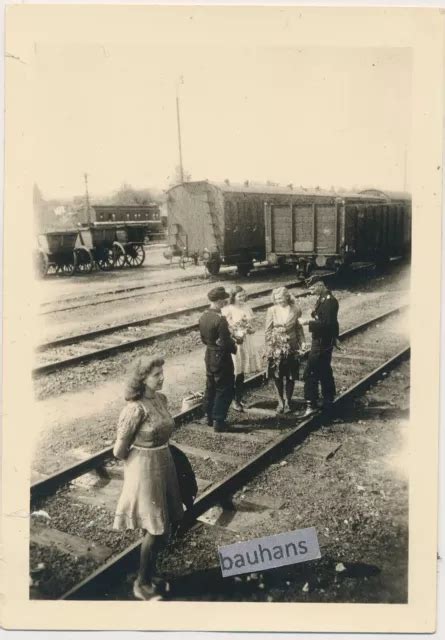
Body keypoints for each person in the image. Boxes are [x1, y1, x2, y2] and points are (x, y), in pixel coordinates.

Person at [113, 355, 184, 601]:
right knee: (155, 528)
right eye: (156, 375)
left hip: (164, 462)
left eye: (162, 373)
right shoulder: (134, 409)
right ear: (141, 379)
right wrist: (143, 454)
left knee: (163, 526)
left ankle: (150, 573)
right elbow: (119, 451)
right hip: (144, 469)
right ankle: (142, 582)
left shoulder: (161, 399)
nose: (162, 377)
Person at [199, 286, 237, 431]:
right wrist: (235, 346)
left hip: (209, 355)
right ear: (219, 301)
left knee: (210, 386)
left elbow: (203, 339)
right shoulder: (220, 320)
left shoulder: (204, 316)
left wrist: (213, 344)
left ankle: (208, 416)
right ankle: (219, 420)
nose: (225, 303)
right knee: (224, 388)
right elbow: (226, 343)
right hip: (221, 357)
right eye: (224, 301)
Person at [300, 279, 339, 416]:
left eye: (312, 289)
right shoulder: (323, 299)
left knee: (310, 371)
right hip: (323, 340)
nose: (310, 292)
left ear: (320, 286)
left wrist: (308, 322)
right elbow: (332, 321)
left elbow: (328, 323)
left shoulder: (329, 301)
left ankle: (311, 403)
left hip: (322, 342)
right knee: (324, 370)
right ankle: (328, 399)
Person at [265, 287, 306, 414]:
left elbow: (299, 329)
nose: (279, 301)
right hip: (276, 347)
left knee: (291, 375)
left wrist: (303, 342)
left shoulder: (296, 309)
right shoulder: (272, 310)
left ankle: (288, 401)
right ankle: (280, 402)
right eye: (276, 299)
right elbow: (268, 330)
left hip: (292, 346)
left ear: (287, 297)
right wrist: (268, 348)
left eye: (281, 298)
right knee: (277, 375)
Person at [222, 285, 263, 411]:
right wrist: (236, 332)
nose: (242, 298)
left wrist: (250, 329)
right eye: (239, 296)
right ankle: (233, 400)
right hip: (235, 343)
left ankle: (238, 397)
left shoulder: (246, 307)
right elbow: (226, 329)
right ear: (233, 297)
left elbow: (252, 326)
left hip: (246, 342)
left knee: (241, 372)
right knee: (235, 371)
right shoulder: (228, 309)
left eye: (244, 295)